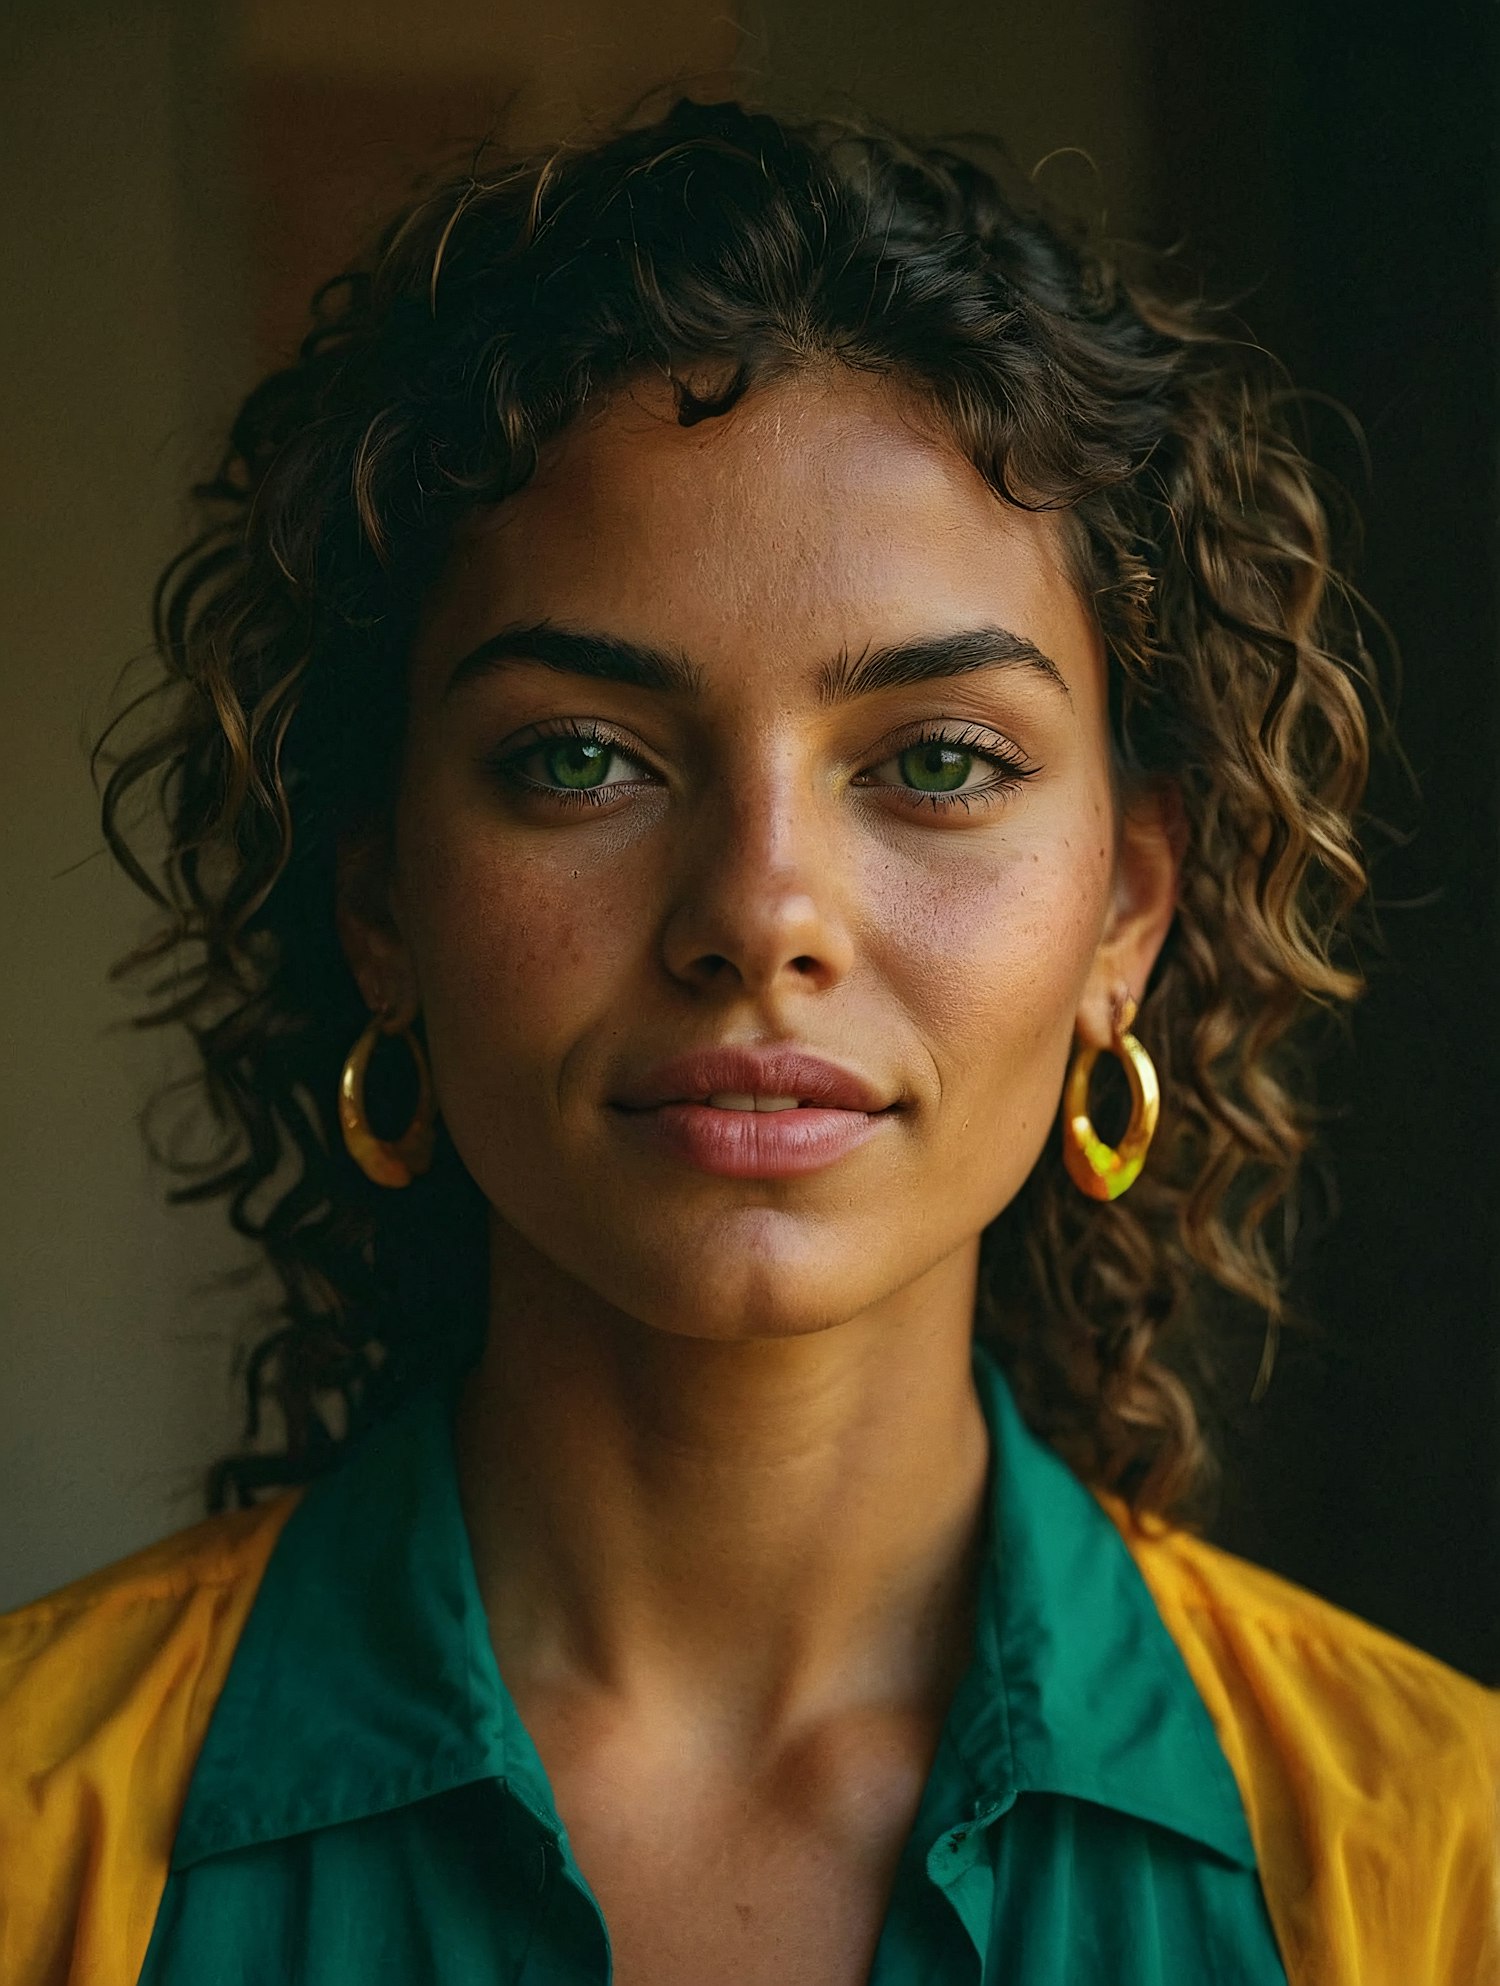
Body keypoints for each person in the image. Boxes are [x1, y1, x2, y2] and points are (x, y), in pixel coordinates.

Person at [2, 92, 1496, 1986]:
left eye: (939, 762)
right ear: (381, 900)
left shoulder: (1434, 1866)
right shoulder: (38, 1840)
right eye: (581, 756)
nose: (762, 914)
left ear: (1128, 904)